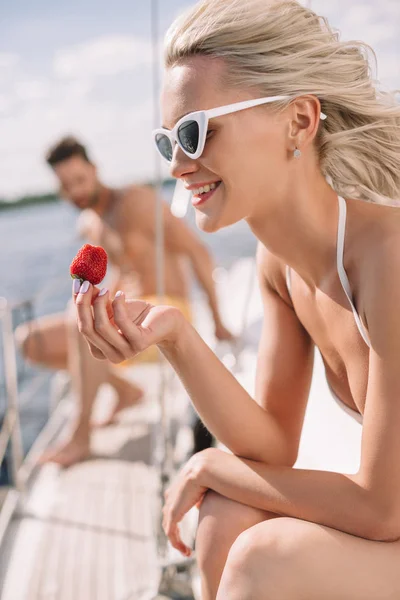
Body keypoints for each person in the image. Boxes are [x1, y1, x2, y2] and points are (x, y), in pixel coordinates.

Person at [72, 0, 400, 597]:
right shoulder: (279, 265)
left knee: (260, 556)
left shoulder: (388, 258)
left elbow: (382, 508)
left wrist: (205, 462)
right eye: (167, 141)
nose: (178, 164)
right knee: (224, 520)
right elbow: (273, 443)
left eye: (197, 132)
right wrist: (174, 334)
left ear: (299, 122)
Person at [17, 136, 232, 467]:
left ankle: (80, 436)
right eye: (65, 185)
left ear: (94, 170)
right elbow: (118, 276)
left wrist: (218, 322)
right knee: (31, 342)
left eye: (79, 180)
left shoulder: (136, 202)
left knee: (82, 319)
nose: (74, 191)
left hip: (166, 310)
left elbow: (197, 252)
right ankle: (125, 392)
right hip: (127, 314)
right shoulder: (91, 223)